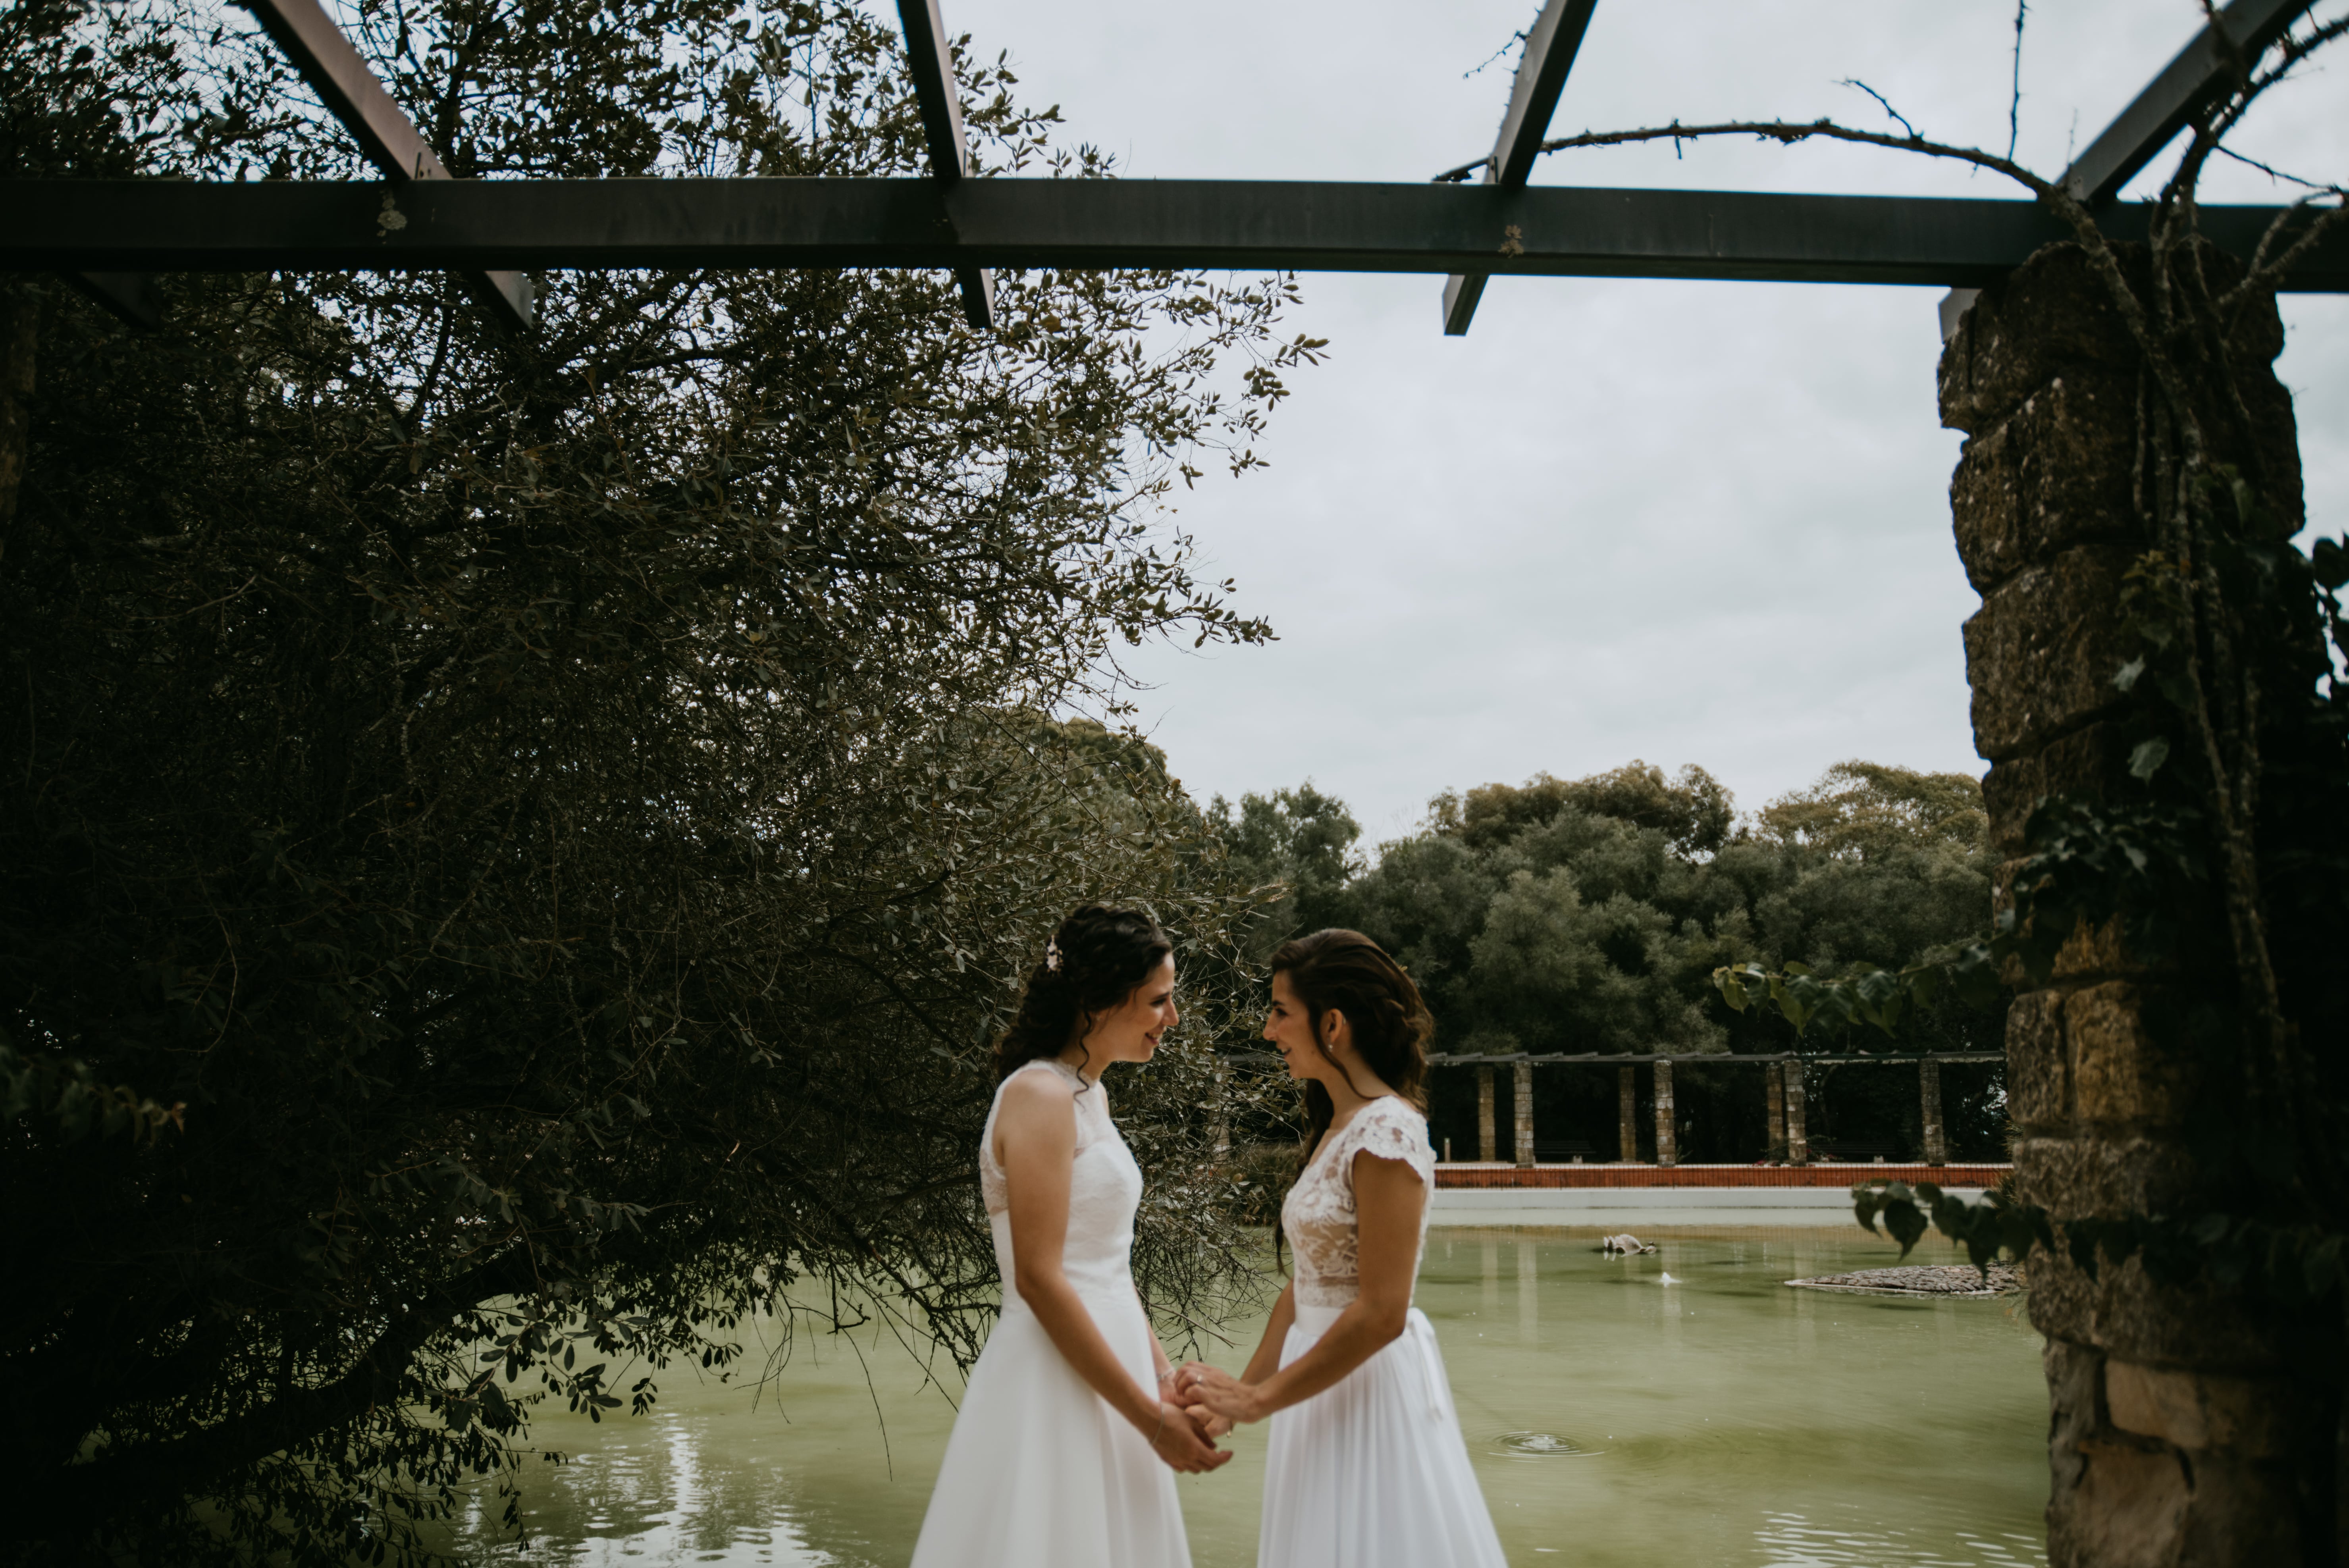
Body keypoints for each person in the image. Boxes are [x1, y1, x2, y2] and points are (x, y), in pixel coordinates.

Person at [909, 904, 1229, 1568]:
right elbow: (1040, 1277)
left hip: (1115, 1371)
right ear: (1097, 1000)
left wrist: (1166, 1378)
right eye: (1158, 1000)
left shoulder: (1090, 1095)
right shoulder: (1039, 1096)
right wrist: (1150, 1419)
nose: (1171, 1018)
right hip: (1052, 1377)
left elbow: (1108, 1270)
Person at [1175, 929, 1505, 1568]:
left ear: (1333, 1023)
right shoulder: (1337, 1126)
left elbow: (1383, 1310)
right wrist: (1238, 1402)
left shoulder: (1387, 1130)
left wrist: (1260, 1400)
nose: (1268, 1031)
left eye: (1279, 1011)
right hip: (1314, 1381)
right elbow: (1306, 1288)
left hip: (1366, 1390)